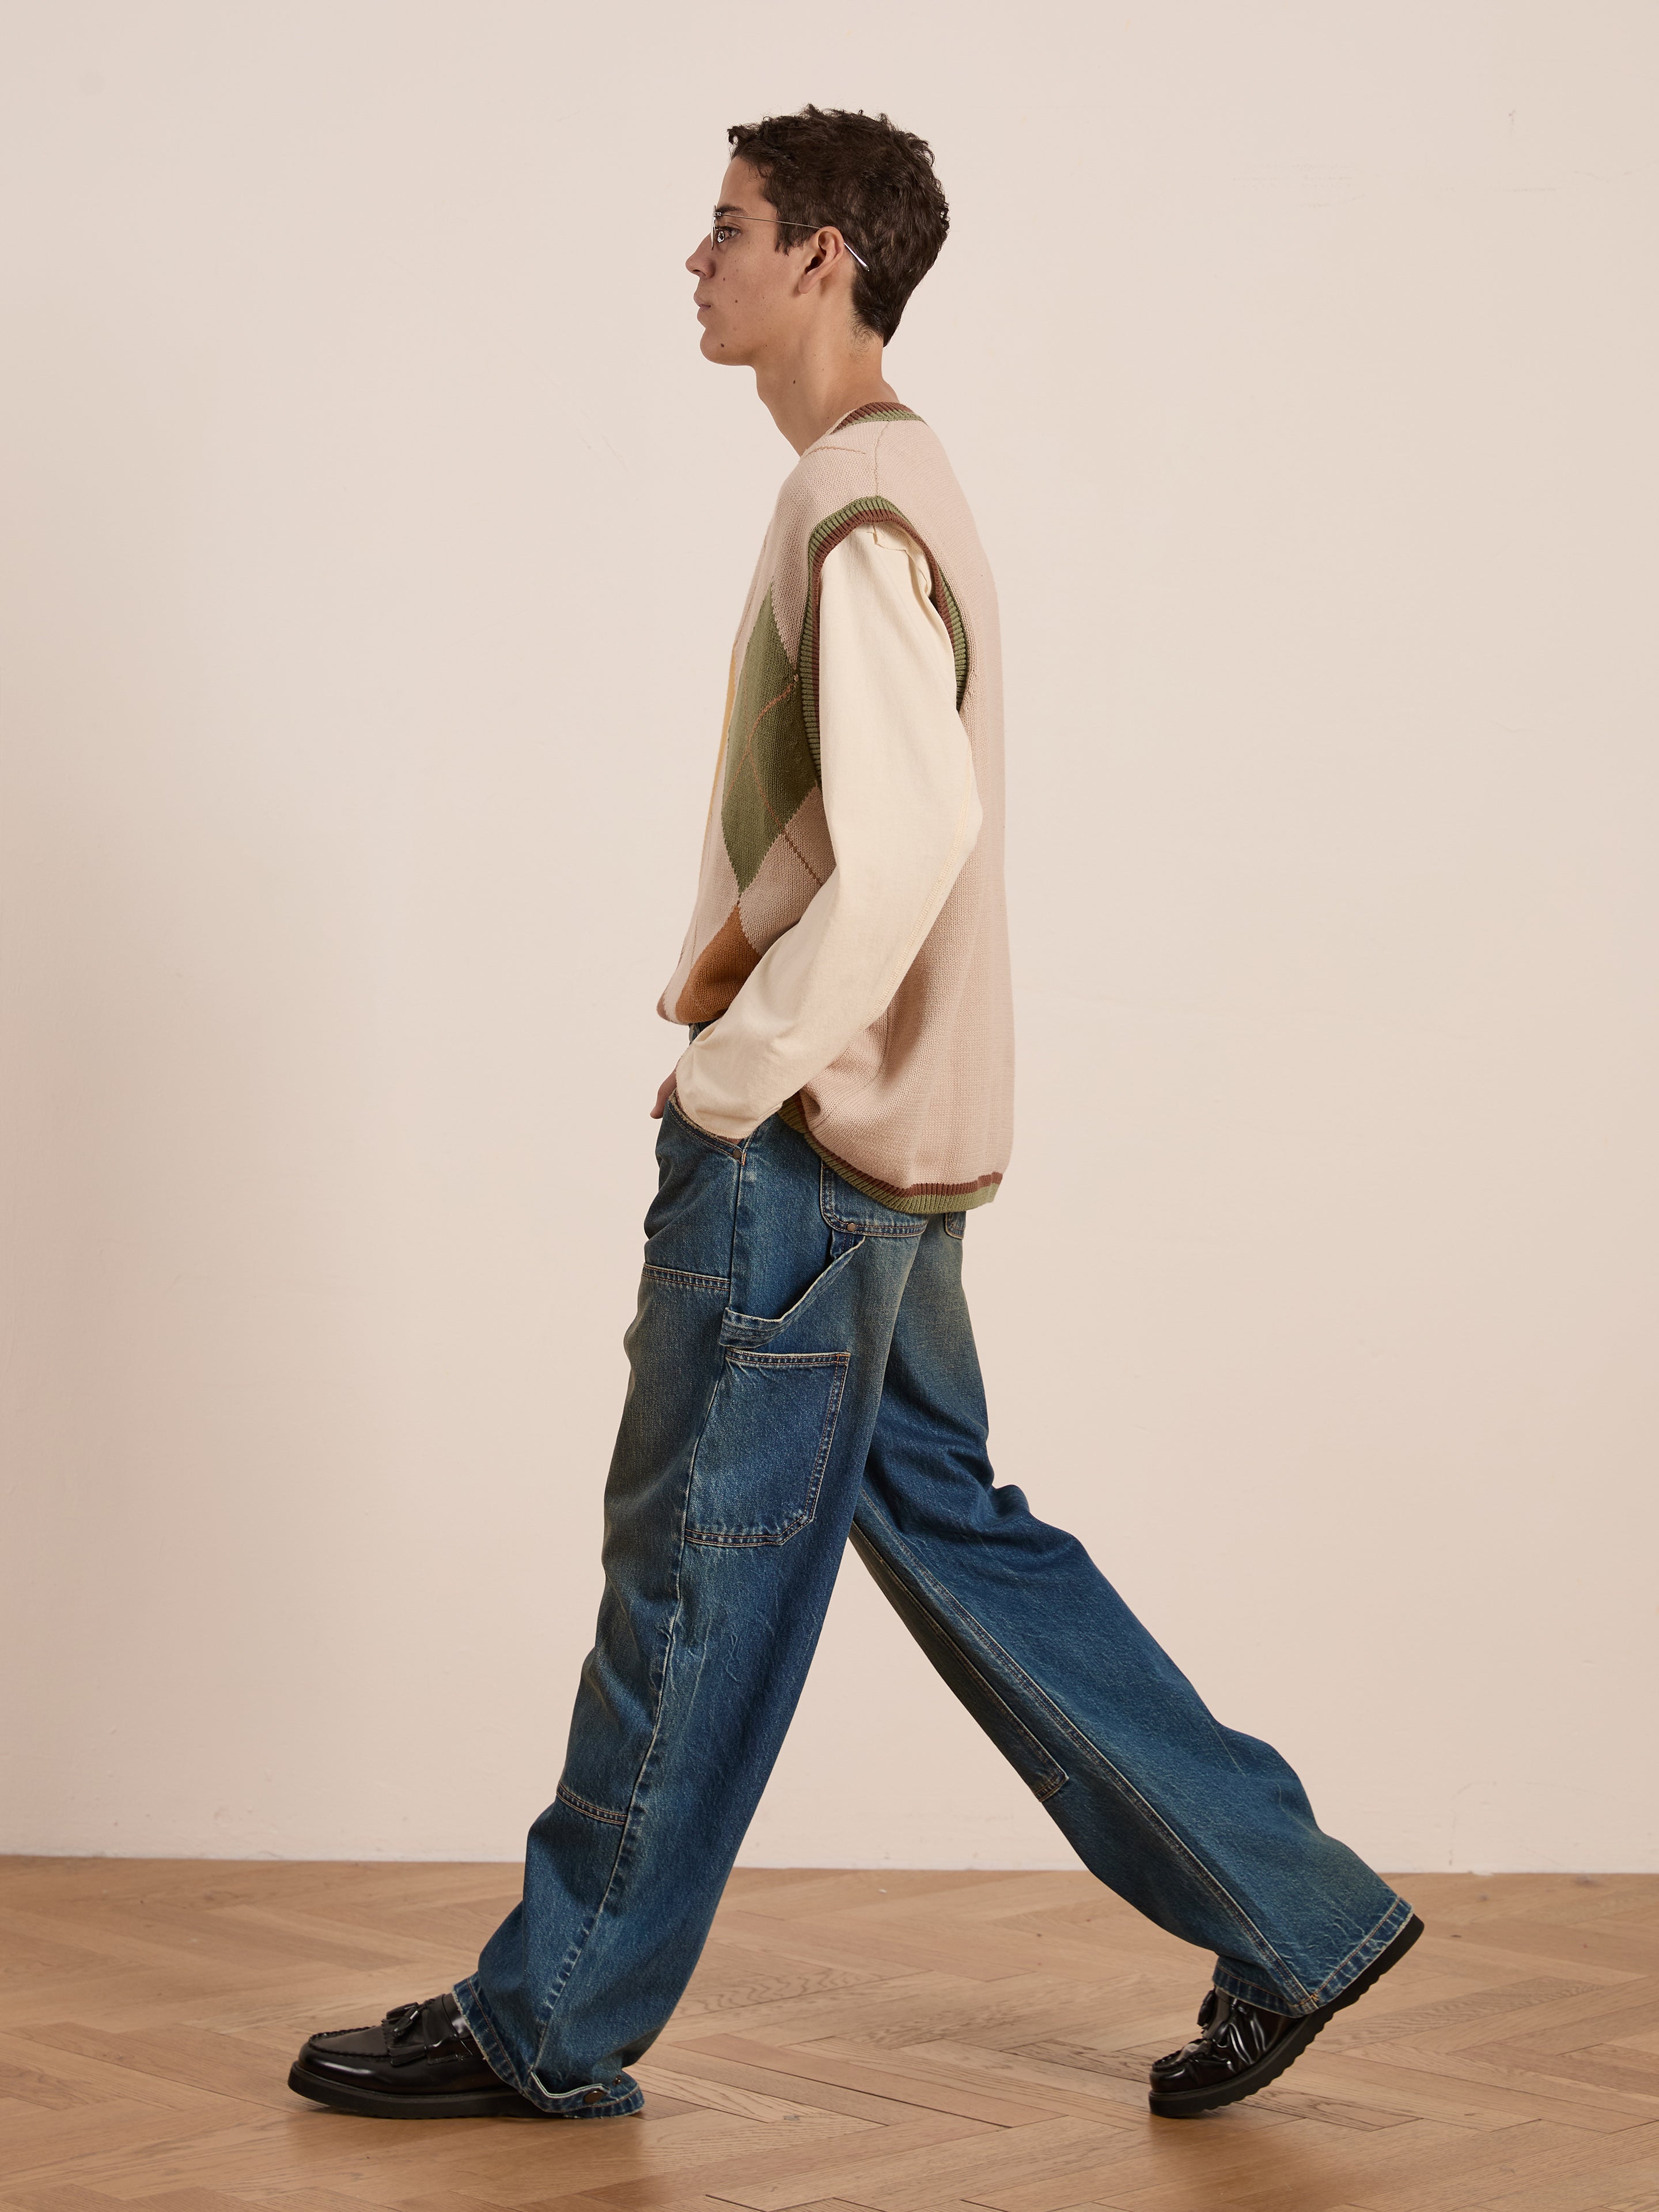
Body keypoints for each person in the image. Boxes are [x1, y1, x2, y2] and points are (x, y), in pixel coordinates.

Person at [289, 103, 1420, 2129]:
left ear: (825, 257)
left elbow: (906, 844)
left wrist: (734, 1079)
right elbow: (883, 840)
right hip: (890, 1159)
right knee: (966, 1548)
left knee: (686, 1582)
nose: (695, 260)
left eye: (724, 228)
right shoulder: (879, 487)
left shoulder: (859, 508)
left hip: (803, 1168)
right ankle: (1292, 1901)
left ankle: (548, 2018)